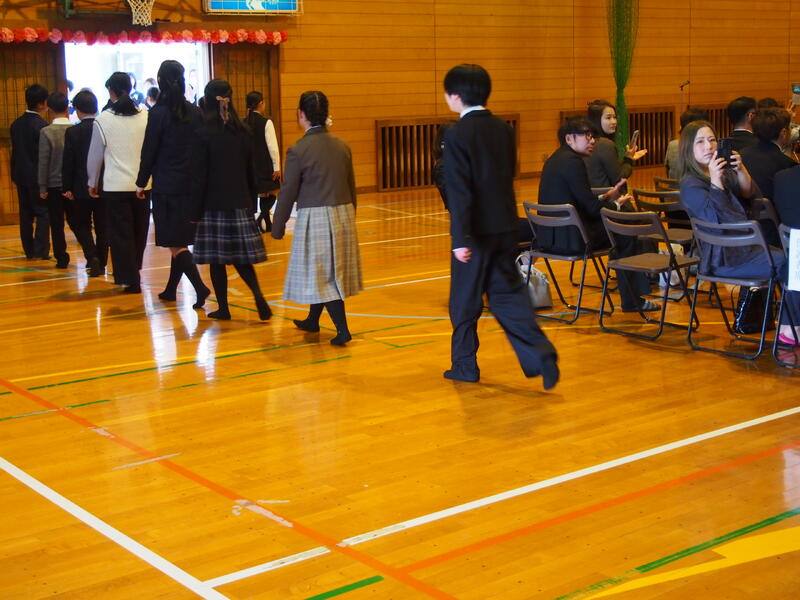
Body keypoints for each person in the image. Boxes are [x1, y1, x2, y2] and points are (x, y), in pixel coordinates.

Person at [441, 64, 558, 387]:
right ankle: (541, 355)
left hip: (474, 233)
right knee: (507, 296)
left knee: (464, 302)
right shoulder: (503, 129)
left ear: (455, 96)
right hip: (505, 225)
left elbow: (460, 189)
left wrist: (460, 238)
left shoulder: (457, 134)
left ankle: (464, 365)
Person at [677, 120, 800, 344]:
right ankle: (788, 329)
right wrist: (716, 181)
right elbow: (715, 220)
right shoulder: (690, 184)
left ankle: (791, 324)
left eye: (712, 140)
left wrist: (741, 170)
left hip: (744, 250)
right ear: (688, 149)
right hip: (723, 258)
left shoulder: (720, 173)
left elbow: (753, 197)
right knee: (793, 264)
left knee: (795, 258)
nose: (709, 146)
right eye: (700, 142)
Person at [537, 116, 657, 314]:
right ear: (569, 138)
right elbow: (592, 210)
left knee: (622, 224)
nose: (592, 140)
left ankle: (634, 293)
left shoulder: (556, 159)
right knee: (625, 231)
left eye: (593, 136)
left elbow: (581, 200)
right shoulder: (574, 163)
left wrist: (605, 197)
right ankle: (633, 300)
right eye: (587, 136)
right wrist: (615, 204)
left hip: (551, 237)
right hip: (572, 239)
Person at [271, 90, 362, 345]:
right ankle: (313, 320)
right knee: (322, 270)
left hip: (316, 216)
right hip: (344, 213)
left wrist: (277, 227)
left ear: (301, 114)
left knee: (324, 275)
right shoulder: (342, 146)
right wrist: (350, 217)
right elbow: (352, 187)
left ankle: (342, 330)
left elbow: (288, 192)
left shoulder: (298, 149)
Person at [192, 79, 271, 321]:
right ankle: (258, 295)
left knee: (217, 261)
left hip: (213, 204)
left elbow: (199, 176)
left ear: (207, 100)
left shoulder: (203, 133)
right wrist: (251, 203)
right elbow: (251, 171)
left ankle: (224, 308)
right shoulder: (243, 131)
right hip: (240, 202)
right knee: (241, 258)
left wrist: (194, 210)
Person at [136, 60, 210, 308]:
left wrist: (141, 182)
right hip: (192, 186)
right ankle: (170, 290)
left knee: (175, 243)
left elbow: (149, 150)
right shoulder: (196, 112)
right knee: (178, 240)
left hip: (167, 186)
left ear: (160, 81)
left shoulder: (158, 113)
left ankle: (200, 287)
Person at [87, 72, 151, 293]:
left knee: (121, 235)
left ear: (110, 91)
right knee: (139, 232)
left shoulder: (103, 119)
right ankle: (135, 272)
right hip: (143, 185)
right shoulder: (146, 116)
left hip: (115, 186)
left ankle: (129, 278)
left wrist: (92, 181)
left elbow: (95, 156)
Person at [62, 89, 107, 277]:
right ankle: (102, 262)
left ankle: (92, 255)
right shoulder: (104, 127)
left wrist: (66, 186)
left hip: (80, 185)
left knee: (80, 223)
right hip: (103, 185)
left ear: (78, 110)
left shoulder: (73, 132)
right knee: (103, 226)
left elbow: (68, 161)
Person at [10, 83, 50, 260]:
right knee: (42, 212)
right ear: (41, 104)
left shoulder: (16, 124)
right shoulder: (42, 126)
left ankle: (29, 250)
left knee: (25, 214)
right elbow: (43, 156)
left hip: (19, 174)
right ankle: (40, 250)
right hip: (37, 176)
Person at [37, 92, 75, 269]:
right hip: (73, 184)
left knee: (57, 223)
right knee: (78, 221)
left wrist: (42, 186)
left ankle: (61, 257)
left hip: (53, 185)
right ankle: (91, 254)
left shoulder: (46, 132)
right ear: (67, 108)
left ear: (49, 109)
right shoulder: (75, 129)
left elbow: (43, 161)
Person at [584, 99, 647, 188]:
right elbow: (619, 179)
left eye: (614, 117)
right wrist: (629, 160)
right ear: (596, 120)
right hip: (606, 195)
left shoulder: (585, 141)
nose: (614, 122)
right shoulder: (605, 144)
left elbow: (608, 169)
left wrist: (627, 157)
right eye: (608, 118)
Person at [244, 91, 281, 233]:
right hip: (264, 164)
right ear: (261, 103)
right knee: (271, 193)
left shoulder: (243, 122)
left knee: (257, 193)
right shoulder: (266, 122)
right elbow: (273, 147)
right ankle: (261, 219)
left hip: (249, 165)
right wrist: (277, 166)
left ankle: (266, 222)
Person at [665, 107, 708, 180]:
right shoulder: (707, 147)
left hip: (673, 186)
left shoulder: (672, 145)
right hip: (696, 186)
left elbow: (668, 169)